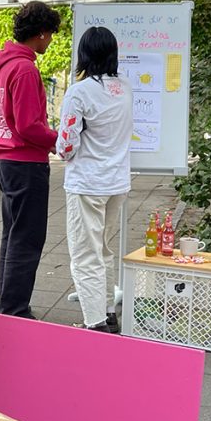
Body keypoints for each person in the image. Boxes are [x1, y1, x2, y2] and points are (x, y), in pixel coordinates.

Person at [55, 27, 132, 333]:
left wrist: (63, 147)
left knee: (85, 256)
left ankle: (95, 323)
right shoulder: (125, 87)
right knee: (103, 250)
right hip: (117, 182)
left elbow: (66, 146)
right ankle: (108, 312)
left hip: (87, 183)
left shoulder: (79, 92)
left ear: (83, 54)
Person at [0, 1, 60, 319]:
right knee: (27, 238)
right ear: (42, 33)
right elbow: (30, 125)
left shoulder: (4, 67)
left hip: (6, 160)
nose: (51, 41)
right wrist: (59, 140)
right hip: (26, 162)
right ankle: (14, 309)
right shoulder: (26, 69)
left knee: (12, 236)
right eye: (51, 35)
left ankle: (9, 304)